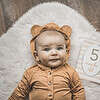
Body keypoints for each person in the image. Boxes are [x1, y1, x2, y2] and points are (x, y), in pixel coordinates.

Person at [8, 23, 85, 100]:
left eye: (59, 48)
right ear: (37, 55)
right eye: (47, 49)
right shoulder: (30, 73)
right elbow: (19, 93)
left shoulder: (70, 72)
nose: (54, 53)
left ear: (66, 51)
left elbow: (78, 91)